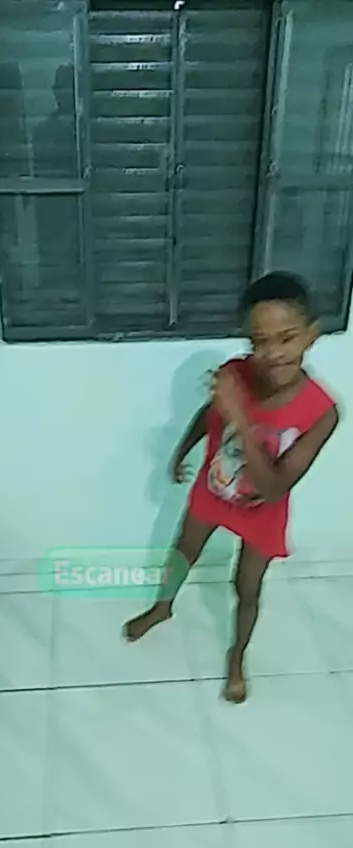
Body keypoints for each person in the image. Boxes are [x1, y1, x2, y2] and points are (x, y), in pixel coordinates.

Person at [124, 271, 339, 703]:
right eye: (259, 342)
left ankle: (237, 656)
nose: (273, 353)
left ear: (311, 335)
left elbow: (275, 488)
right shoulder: (235, 374)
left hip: (263, 511)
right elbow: (210, 414)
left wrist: (241, 417)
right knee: (182, 551)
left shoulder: (322, 413)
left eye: (287, 338)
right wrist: (182, 450)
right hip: (214, 489)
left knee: (246, 588)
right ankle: (162, 607)